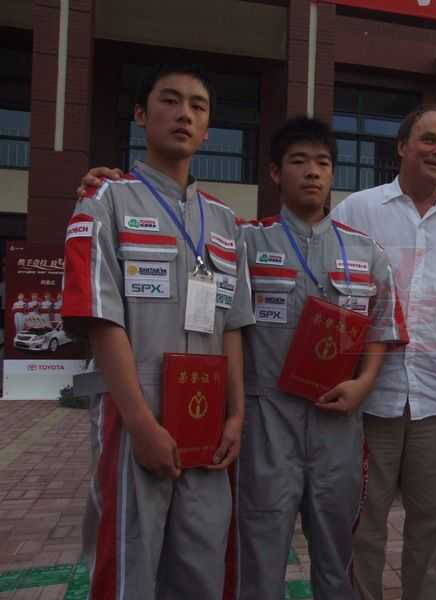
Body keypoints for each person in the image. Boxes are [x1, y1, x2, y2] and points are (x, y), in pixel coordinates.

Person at [61, 64, 253, 600]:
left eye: (198, 106)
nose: (184, 114)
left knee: (202, 565)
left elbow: (233, 325)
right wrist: (141, 424)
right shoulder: (105, 200)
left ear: (208, 130)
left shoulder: (225, 221)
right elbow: (102, 320)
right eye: (169, 101)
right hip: (134, 413)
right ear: (141, 115)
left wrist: (236, 415)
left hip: (207, 419)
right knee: (129, 565)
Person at [233, 116, 408, 600]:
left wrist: (364, 383)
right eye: (298, 161)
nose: (312, 171)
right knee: (260, 549)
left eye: (323, 163)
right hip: (267, 423)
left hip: (338, 426)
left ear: (333, 174)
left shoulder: (365, 251)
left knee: (336, 556)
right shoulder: (246, 242)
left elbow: (382, 327)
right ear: (275, 172)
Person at [330, 106, 436, 600]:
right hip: (368, 399)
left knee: (431, 526)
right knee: (363, 522)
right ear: (402, 147)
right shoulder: (357, 211)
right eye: (429, 139)